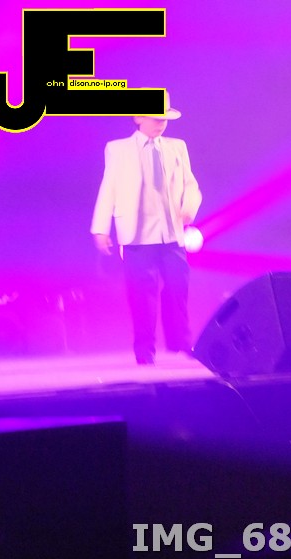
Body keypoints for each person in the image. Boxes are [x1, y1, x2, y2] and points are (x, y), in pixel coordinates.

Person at [90, 91, 202, 365]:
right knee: (142, 296)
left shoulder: (177, 147)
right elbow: (109, 187)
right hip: (138, 237)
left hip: (171, 235)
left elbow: (190, 184)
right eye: (155, 118)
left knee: (177, 290)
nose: (161, 123)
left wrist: (189, 207)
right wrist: (100, 228)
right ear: (138, 118)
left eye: (164, 118)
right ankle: (144, 350)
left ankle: (180, 344)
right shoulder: (118, 149)